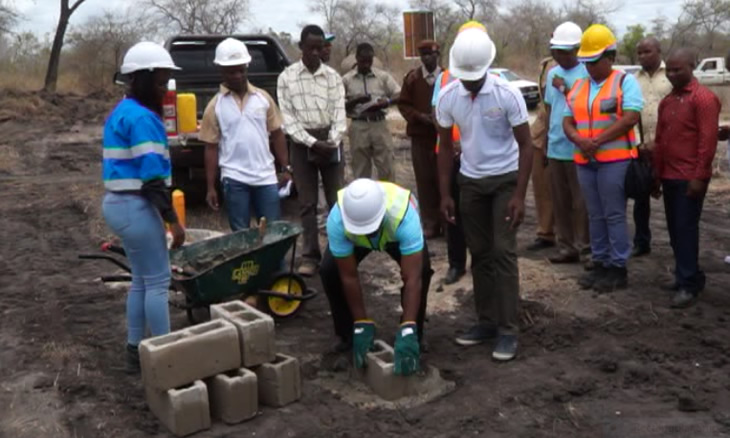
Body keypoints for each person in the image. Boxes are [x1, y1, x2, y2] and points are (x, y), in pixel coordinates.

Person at [436, 28, 533, 361]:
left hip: (505, 181)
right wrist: (445, 194)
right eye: (465, 78)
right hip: (470, 184)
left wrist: (520, 194)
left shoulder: (508, 95)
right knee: (478, 252)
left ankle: (508, 330)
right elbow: (445, 148)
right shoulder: (449, 97)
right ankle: (486, 322)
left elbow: (526, 145)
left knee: (503, 251)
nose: (470, 83)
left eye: (474, 78)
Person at [102, 42, 186, 373]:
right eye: (161, 82)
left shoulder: (120, 111)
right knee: (157, 282)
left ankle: (135, 349)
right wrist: (174, 222)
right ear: (141, 79)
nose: (165, 90)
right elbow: (152, 179)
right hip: (136, 206)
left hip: (118, 205)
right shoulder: (143, 118)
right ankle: (164, 356)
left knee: (140, 280)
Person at [319, 178, 432, 375]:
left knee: (421, 270)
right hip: (354, 239)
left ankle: (413, 334)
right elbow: (349, 276)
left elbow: (412, 278)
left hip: (393, 234)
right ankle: (349, 334)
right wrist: (361, 322)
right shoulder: (338, 220)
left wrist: (408, 327)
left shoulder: (404, 216)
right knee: (330, 271)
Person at [563, 24, 644, 293]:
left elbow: (631, 117)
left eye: (595, 61)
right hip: (585, 161)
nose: (590, 67)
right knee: (594, 214)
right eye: (586, 61)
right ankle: (600, 263)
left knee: (613, 214)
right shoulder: (578, 86)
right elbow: (567, 120)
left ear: (611, 56)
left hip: (615, 160)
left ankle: (617, 267)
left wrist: (596, 141)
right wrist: (579, 140)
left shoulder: (624, 82)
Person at [200, 38, 292, 231]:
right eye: (231, 71)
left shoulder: (263, 98)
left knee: (272, 232)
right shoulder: (215, 106)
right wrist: (210, 187)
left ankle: (274, 263)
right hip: (234, 179)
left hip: (266, 178)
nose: (237, 76)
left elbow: (277, 134)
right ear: (221, 71)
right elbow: (211, 148)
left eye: (241, 70)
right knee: (240, 235)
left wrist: (285, 167)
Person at [277, 25, 347, 277]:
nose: (317, 52)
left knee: (336, 202)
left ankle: (339, 252)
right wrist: (312, 143)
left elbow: (340, 114)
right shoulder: (286, 78)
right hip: (302, 142)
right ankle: (310, 255)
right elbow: (288, 119)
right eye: (312, 48)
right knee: (306, 203)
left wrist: (332, 140)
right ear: (301, 47)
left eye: (321, 47)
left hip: (330, 140)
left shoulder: (333, 78)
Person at [654, 48, 721, 308]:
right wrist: (656, 175)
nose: (671, 74)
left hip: (689, 177)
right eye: (668, 70)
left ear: (692, 66)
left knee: (685, 229)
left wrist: (699, 176)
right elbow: (660, 141)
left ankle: (689, 284)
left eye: (677, 69)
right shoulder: (668, 102)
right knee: (674, 230)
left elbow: (707, 142)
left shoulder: (703, 99)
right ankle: (687, 274)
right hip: (669, 174)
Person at [429, 20, 489, 285]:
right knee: (452, 210)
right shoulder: (444, 77)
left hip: (478, 157)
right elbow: (436, 113)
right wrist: (450, 144)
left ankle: (481, 262)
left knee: (479, 211)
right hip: (448, 155)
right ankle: (456, 263)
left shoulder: (490, 76)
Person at [544, 22, 590, 264]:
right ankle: (566, 247)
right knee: (560, 201)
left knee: (581, 201)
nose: (560, 56)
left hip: (578, 146)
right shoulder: (552, 74)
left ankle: (586, 248)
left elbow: (584, 104)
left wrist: (565, 87)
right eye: (557, 51)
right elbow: (550, 110)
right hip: (556, 146)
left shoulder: (587, 73)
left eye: (565, 51)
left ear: (577, 50)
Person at [398, 39, 443, 238]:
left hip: (443, 139)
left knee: (444, 180)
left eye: (431, 54)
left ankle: (447, 222)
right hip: (421, 138)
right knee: (424, 182)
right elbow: (403, 105)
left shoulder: (448, 77)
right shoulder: (412, 79)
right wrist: (418, 117)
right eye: (424, 55)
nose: (427, 58)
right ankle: (430, 224)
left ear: (437, 55)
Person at [632, 37, 672, 257]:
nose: (642, 56)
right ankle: (641, 241)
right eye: (639, 53)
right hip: (641, 147)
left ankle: (677, 243)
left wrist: (660, 143)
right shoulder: (633, 80)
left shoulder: (672, 74)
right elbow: (630, 112)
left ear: (658, 51)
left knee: (673, 195)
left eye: (647, 51)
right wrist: (639, 143)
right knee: (640, 196)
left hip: (667, 146)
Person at [342, 42, 401, 182]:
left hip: (379, 124)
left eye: (369, 61)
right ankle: (365, 201)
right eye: (363, 61)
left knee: (386, 167)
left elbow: (399, 94)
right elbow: (337, 105)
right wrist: (356, 101)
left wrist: (386, 102)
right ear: (356, 58)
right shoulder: (346, 80)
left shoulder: (383, 77)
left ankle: (388, 201)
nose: (366, 64)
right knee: (361, 169)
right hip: (358, 126)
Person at [526, 56, 558, 252]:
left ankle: (573, 237)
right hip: (540, 131)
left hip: (564, 132)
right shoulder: (546, 64)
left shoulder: (581, 66)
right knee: (541, 185)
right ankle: (546, 231)